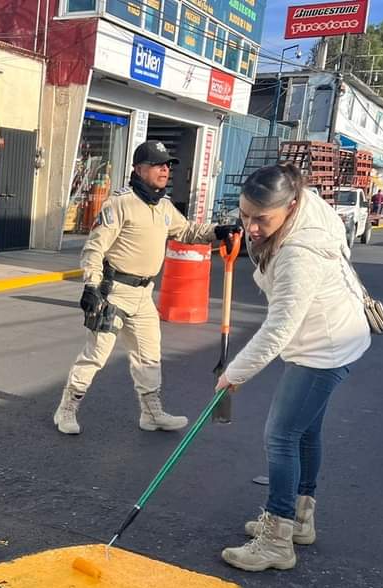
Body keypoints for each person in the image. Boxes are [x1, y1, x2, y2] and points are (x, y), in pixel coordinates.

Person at [215, 164, 371, 572]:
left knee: (281, 435)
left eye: (261, 219)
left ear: (291, 206)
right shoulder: (307, 204)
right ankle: (299, 519)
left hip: (325, 346)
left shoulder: (299, 255)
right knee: (305, 432)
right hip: (338, 333)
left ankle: (277, 542)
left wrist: (235, 373)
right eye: (244, 214)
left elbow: (279, 328)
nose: (250, 226)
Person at [53, 140, 242, 435]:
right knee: (96, 355)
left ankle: (151, 414)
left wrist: (219, 231)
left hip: (143, 296)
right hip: (113, 291)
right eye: (158, 164)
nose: (165, 170)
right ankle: (67, 408)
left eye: (168, 165)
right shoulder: (119, 203)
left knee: (149, 356)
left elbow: (188, 231)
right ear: (140, 169)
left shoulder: (164, 206)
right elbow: (93, 249)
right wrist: (91, 285)